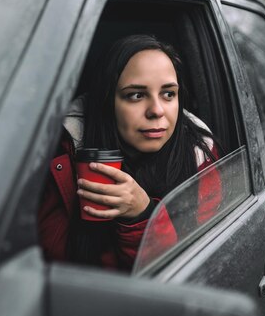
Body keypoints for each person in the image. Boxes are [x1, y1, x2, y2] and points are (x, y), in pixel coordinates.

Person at [37, 34, 220, 270]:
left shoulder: (199, 156)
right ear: (107, 102)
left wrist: (143, 214)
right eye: (136, 95)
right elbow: (50, 262)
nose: (156, 111)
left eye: (168, 94)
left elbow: (196, 271)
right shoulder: (61, 154)